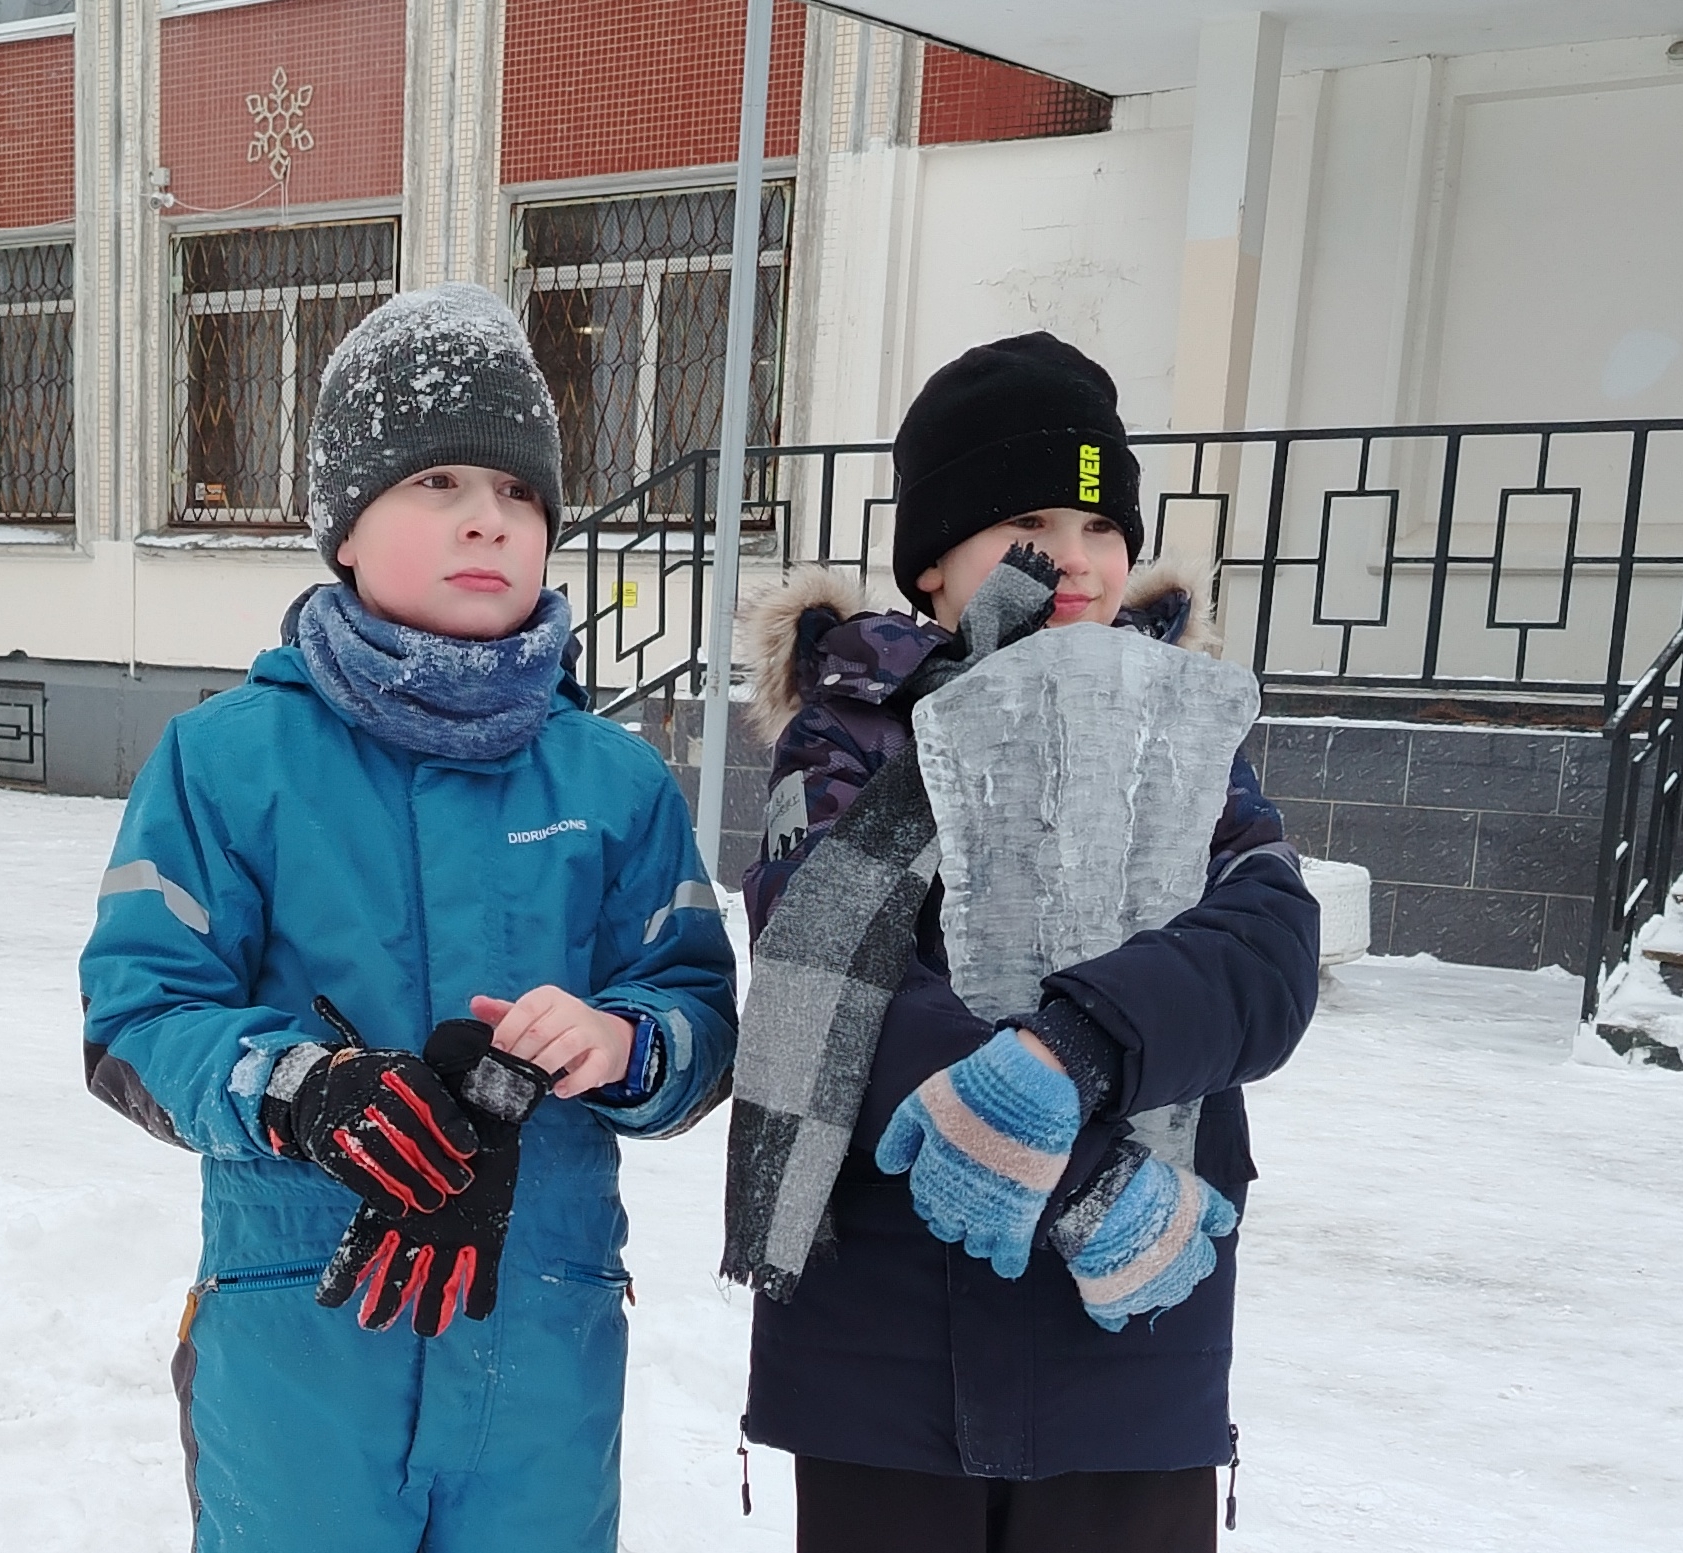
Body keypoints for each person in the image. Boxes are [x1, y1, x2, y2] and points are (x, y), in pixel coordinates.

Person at [78, 283, 737, 1553]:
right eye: (437, 481)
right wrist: (301, 1088)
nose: (488, 517)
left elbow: (696, 1015)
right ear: (345, 528)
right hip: (302, 1341)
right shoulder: (226, 762)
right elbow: (137, 1017)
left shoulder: (614, 781)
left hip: (542, 1348)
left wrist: (623, 1041)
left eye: (519, 491)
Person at [725, 333, 1319, 1552]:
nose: (1078, 558)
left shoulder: (1182, 736)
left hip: (1130, 1326)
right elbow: (828, 965)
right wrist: (1079, 1172)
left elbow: (1266, 945)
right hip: (886, 1337)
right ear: (934, 564)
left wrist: (1080, 1046)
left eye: (1104, 525)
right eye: (1030, 522)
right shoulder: (852, 736)